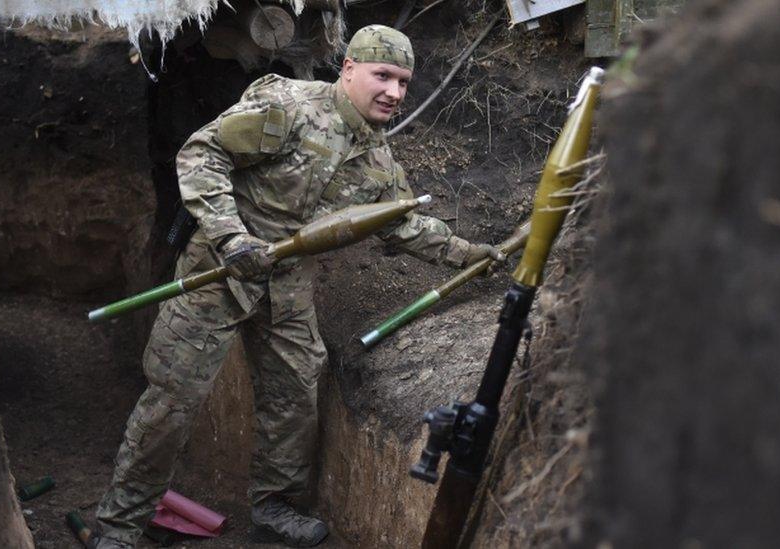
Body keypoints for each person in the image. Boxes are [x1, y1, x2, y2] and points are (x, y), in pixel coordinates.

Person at [94, 25, 504, 548]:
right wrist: (230, 236)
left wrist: (473, 255)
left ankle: (273, 508)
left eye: (403, 82)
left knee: (293, 398)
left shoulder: (378, 162)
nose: (394, 93)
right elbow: (202, 154)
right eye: (382, 75)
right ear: (348, 68)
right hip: (218, 273)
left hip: (287, 286)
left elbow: (402, 225)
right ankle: (121, 524)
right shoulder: (289, 107)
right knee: (172, 401)